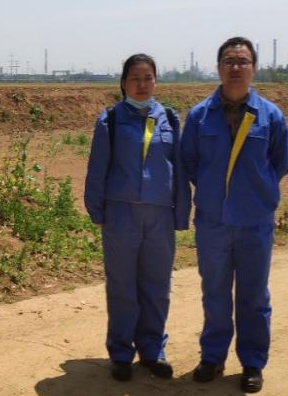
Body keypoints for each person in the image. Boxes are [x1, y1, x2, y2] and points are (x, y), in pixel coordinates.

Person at [180, 37, 288, 393]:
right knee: (214, 293)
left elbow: (282, 162)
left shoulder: (270, 116)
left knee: (254, 296)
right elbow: (189, 163)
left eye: (243, 61)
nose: (235, 67)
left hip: (254, 222)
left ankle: (252, 363)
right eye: (229, 61)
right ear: (218, 68)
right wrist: (214, 194)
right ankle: (212, 357)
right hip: (213, 223)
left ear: (253, 68)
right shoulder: (199, 116)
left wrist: (256, 193)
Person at [84, 53, 190, 382]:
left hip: (159, 215)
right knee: (122, 286)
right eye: (135, 78)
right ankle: (121, 353)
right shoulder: (111, 120)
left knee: (157, 285)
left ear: (156, 82)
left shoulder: (169, 119)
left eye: (148, 78)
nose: (142, 85)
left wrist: (181, 214)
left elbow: (179, 169)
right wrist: (97, 211)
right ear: (123, 83)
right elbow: (97, 169)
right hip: (121, 215)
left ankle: (153, 350)